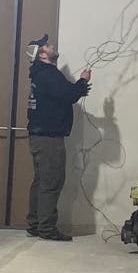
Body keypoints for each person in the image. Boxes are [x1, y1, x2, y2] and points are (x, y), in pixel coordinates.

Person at [25, 36, 90, 241]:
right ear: (42, 54)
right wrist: (83, 81)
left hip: (40, 137)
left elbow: (65, 93)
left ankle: (35, 225)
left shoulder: (41, 75)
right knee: (51, 181)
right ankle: (46, 228)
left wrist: (80, 86)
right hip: (49, 138)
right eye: (47, 45)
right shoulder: (48, 74)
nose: (51, 46)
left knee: (41, 182)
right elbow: (68, 95)